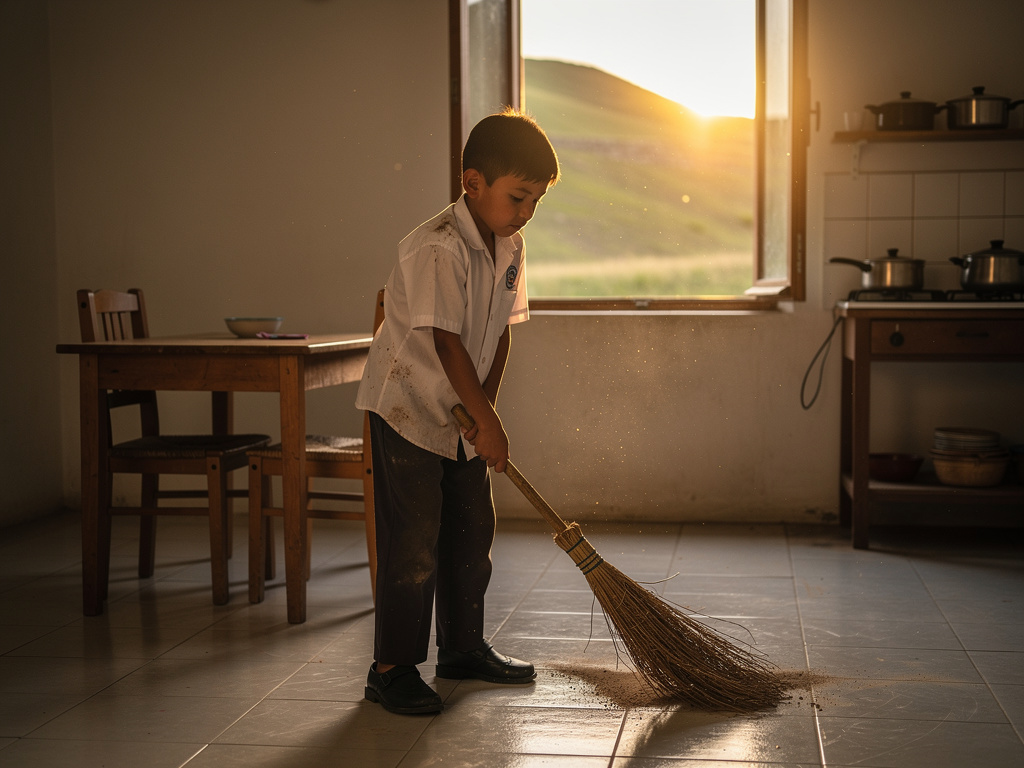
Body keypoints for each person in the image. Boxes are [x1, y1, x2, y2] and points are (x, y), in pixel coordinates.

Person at [355, 108, 560, 715]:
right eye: (518, 197)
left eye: (535, 202)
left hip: (461, 411)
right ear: (473, 183)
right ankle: (390, 668)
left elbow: (499, 333)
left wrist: (484, 411)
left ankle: (462, 648)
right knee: (413, 541)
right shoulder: (437, 247)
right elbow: (444, 343)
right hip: (409, 410)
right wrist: (488, 423)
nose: (525, 213)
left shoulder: (510, 246)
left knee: (472, 532)